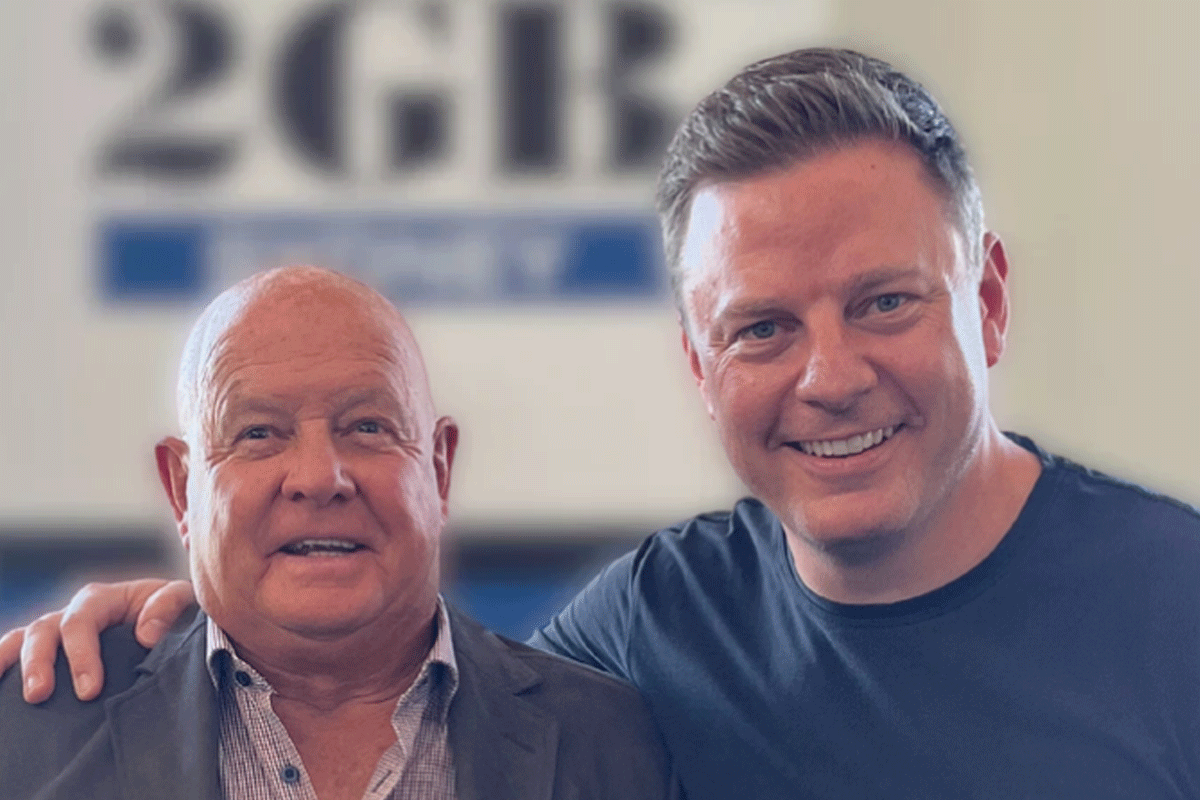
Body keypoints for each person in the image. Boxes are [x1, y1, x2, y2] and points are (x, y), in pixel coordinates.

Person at [5, 47, 1200, 799]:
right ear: (700, 362)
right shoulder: (647, 633)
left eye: (885, 302)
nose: (830, 375)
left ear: (987, 301)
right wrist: (190, 624)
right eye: (762, 328)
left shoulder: (1176, 608)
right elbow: (401, 672)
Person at [0, 267, 678, 800]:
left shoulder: (611, 742)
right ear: (182, 488)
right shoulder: (28, 730)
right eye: (258, 434)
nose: (319, 478)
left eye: (368, 427)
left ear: (439, 468)